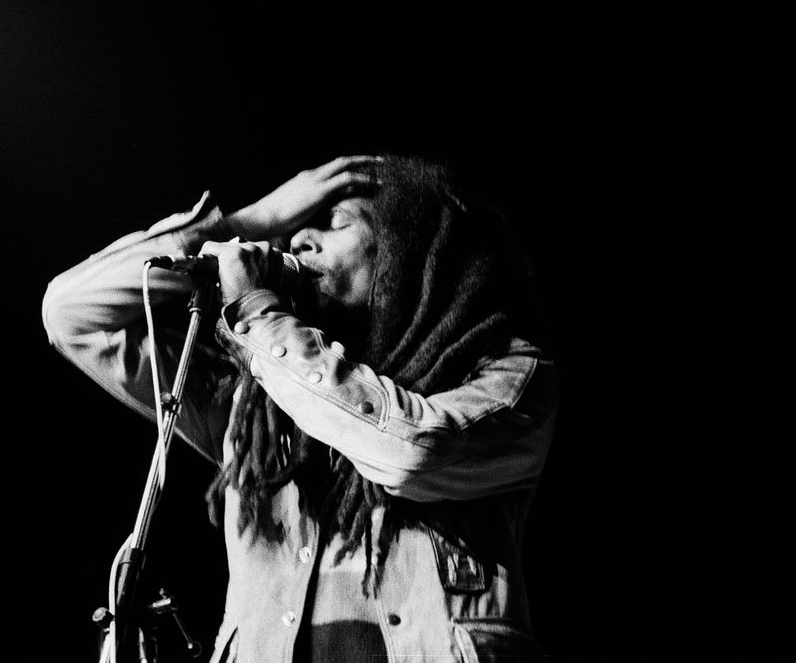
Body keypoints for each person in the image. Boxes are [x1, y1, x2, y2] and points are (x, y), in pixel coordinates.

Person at [42, 153, 557, 662]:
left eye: (333, 225)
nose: (298, 241)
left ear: (410, 248)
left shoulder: (508, 371)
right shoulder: (256, 403)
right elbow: (74, 315)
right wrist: (251, 220)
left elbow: (412, 453)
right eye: (292, 231)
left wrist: (258, 317)